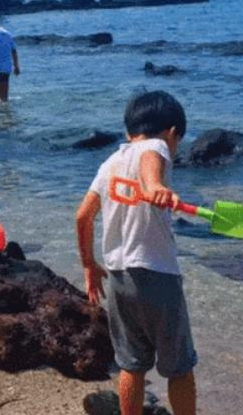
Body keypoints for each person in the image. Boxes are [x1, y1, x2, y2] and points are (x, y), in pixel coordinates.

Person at [75, 90, 196, 415]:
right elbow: (150, 160)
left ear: (129, 132)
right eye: (176, 141)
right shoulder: (155, 147)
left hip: (118, 278)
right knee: (180, 367)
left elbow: (83, 216)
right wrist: (155, 186)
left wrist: (89, 264)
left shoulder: (110, 163)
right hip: (157, 275)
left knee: (131, 364)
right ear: (172, 132)